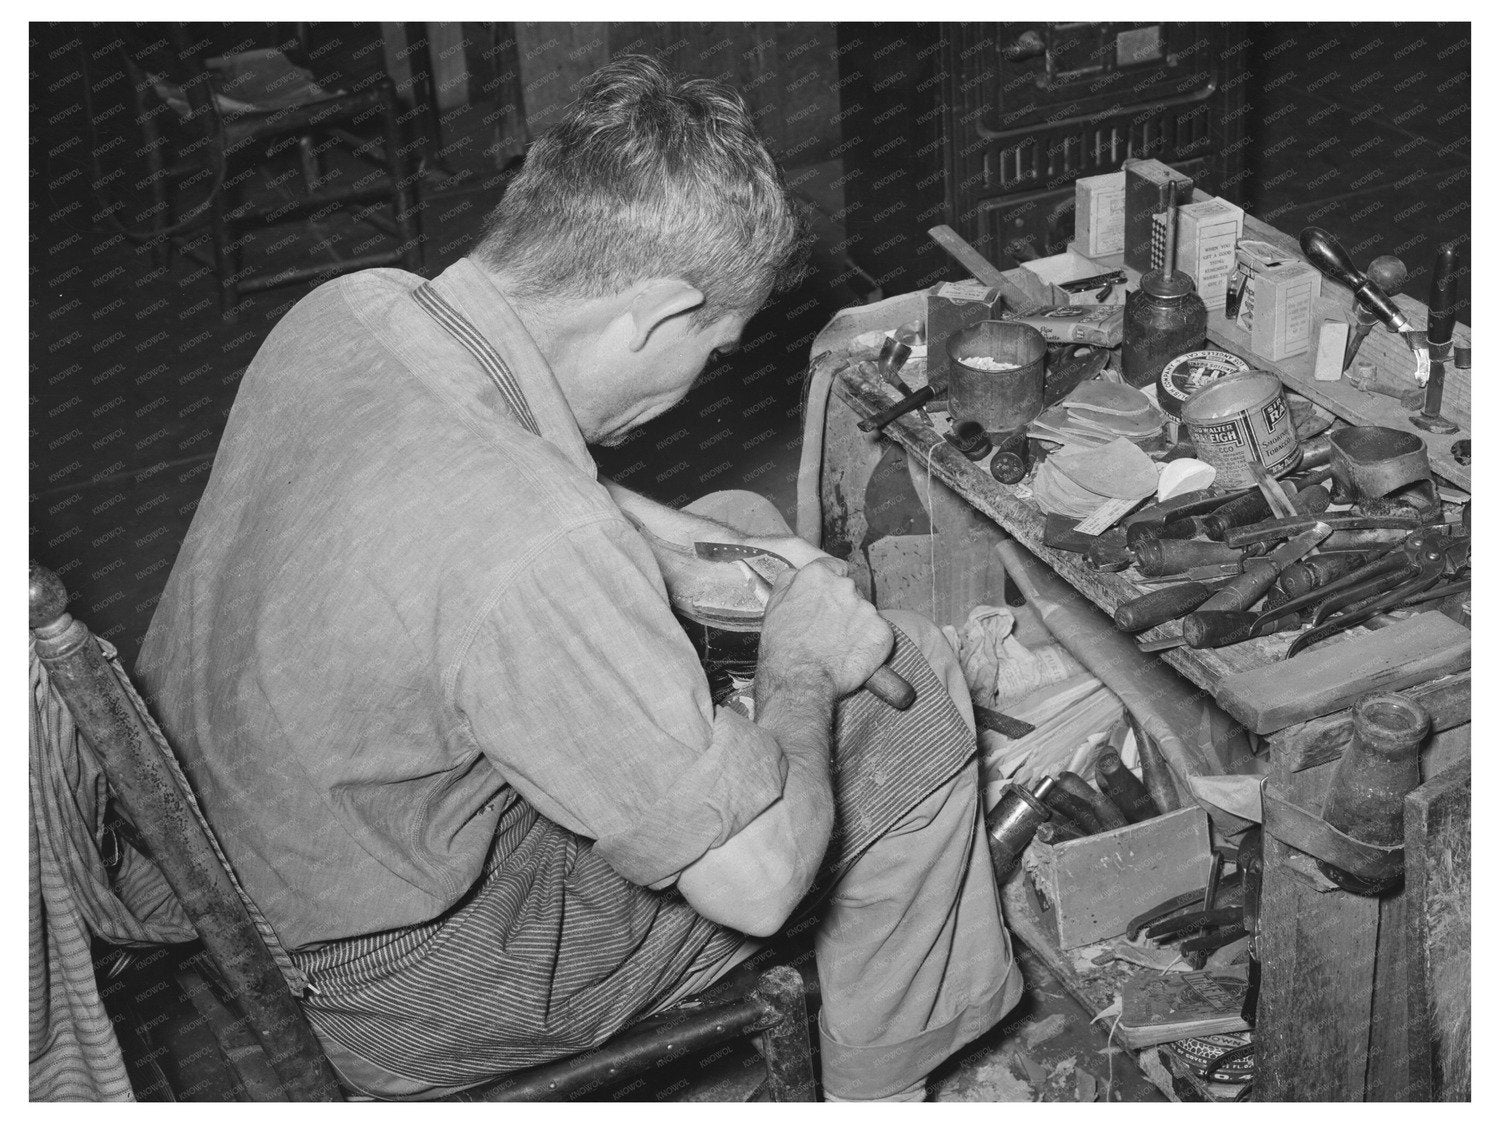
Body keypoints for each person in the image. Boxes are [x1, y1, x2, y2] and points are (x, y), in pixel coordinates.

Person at [136, 55, 1021, 1102]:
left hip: (232, 854)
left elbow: (495, 463)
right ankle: (885, 1092)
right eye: (715, 349)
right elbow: (761, 885)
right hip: (396, 983)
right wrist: (799, 667)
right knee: (918, 699)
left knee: (735, 526)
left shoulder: (356, 307)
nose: (701, 381)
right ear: (656, 313)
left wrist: (686, 550)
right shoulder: (540, 541)